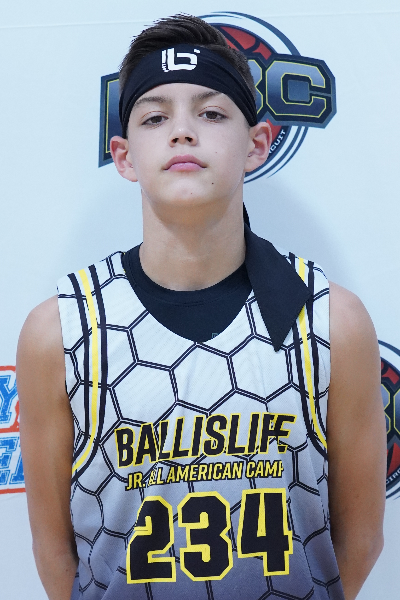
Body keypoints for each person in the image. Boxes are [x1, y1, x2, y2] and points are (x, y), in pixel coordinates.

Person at [17, 14, 386, 600]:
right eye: (155, 117)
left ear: (256, 145)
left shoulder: (332, 321)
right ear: (123, 156)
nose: (182, 132)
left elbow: (360, 541)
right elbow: (53, 551)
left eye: (211, 114)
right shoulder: (60, 331)